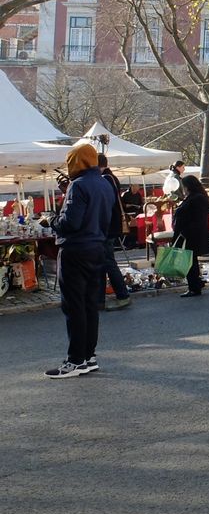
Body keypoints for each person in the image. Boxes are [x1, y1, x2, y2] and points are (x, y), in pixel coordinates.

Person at [44, 145, 113, 378]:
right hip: (97, 247)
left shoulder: (78, 185)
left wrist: (51, 220)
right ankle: (88, 356)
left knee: (74, 306)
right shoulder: (105, 183)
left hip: (76, 249)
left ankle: (75, 360)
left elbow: (70, 223)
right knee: (90, 304)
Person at [95, 153, 132, 311]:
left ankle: (122, 295)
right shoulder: (110, 177)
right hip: (110, 226)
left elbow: (106, 204)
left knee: (108, 262)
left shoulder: (106, 179)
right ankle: (100, 300)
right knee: (104, 262)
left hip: (108, 227)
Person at [172, 175, 209, 297]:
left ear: (188, 186)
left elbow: (197, 219)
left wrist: (185, 231)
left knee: (190, 262)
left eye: (183, 186)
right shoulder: (194, 197)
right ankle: (195, 284)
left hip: (191, 235)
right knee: (191, 261)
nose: (183, 189)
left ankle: (194, 287)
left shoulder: (197, 199)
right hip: (190, 234)